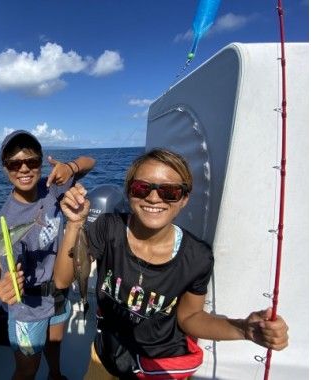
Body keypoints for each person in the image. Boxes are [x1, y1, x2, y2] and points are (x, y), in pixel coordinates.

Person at [53, 148, 289, 379]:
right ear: (128, 192)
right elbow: (63, 279)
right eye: (141, 188)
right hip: (106, 357)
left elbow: (190, 318)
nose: (154, 197)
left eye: (170, 191)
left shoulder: (197, 257)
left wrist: (242, 329)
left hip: (157, 367)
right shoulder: (108, 227)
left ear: (184, 199)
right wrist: (74, 224)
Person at [0, 130, 95, 380]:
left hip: (59, 294)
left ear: (41, 163)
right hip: (29, 306)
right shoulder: (5, 222)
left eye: (32, 161)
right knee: (27, 369)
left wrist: (70, 167)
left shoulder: (51, 188)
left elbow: (91, 161)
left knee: (55, 342)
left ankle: (56, 375)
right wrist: (6, 283)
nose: (24, 169)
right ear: (5, 168)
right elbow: (7, 272)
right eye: (15, 163)